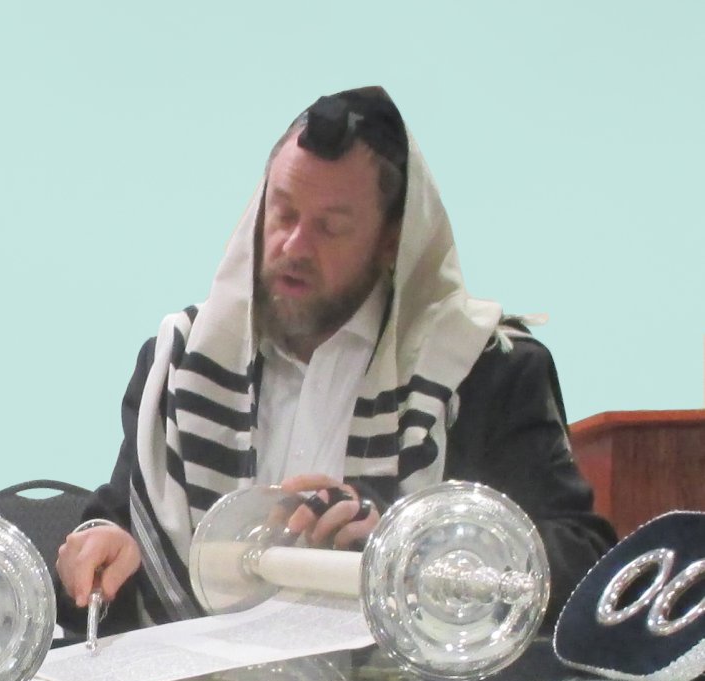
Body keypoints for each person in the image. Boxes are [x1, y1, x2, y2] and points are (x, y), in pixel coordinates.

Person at [56, 86, 615, 634]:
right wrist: (103, 549)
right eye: (283, 214)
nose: (294, 247)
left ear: (392, 241)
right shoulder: (182, 362)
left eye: (331, 227)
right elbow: (123, 529)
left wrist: (409, 548)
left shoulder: (480, 369)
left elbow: (585, 566)